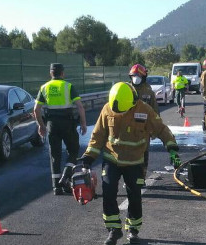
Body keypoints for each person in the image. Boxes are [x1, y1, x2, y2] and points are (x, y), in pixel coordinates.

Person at [78, 82, 179, 245]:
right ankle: (113, 230)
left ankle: (133, 230)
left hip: (135, 161)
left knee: (134, 196)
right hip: (112, 159)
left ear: (132, 103)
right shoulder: (107, 109)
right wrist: (88, 157)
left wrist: (172, 148)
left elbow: (161, 129)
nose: (120, 113)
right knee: (109, 191)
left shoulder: (144, 110)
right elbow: (98, 135)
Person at [33, 63, 88, 195]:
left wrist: (41, 125)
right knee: (74, 150)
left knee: (54, 155)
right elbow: (80, 107)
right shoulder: (68, 86)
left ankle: (56, 187)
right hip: (67, 123)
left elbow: (36, 109)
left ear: (50, 73)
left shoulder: (44, 87)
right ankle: (66, 176)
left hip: (52, 124)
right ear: (63, 73)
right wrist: (83, 123)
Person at [128, 64, 158, 183]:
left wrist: (155, 129)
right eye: (134, 75)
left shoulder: (148, 91)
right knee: (129, 155)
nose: (136, 77)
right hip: (128, 128)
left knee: (143, 155)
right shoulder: (126, 89)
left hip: (144, 129)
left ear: (143, 76)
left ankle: (141, 179)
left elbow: (155, 111)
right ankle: (129, 179)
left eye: (138, 75)